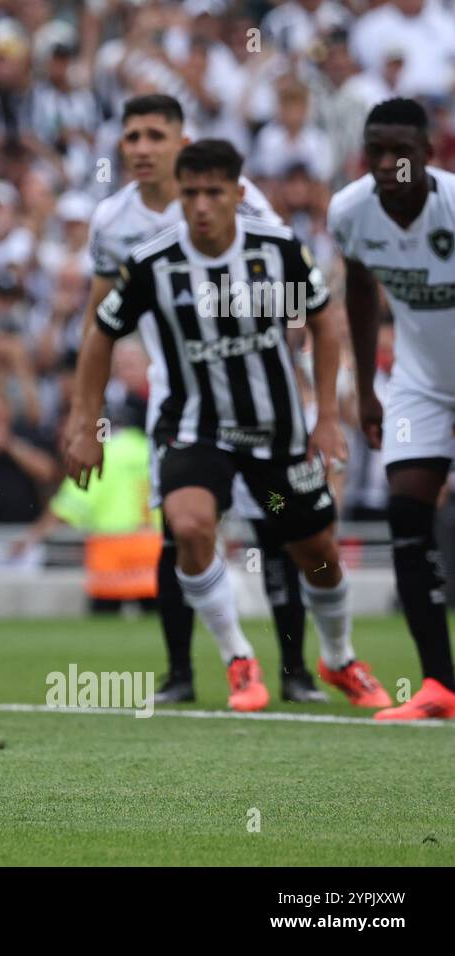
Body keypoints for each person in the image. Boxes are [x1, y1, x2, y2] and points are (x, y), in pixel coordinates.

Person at [66, 138, 385, 714]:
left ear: (239, 194)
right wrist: (85, 422)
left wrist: (327, 418)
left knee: (317, 551)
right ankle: (238, 657)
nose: (202, 205)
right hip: (195, 426)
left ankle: (338, 658)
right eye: (191, 194)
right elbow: (100, 335)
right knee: (187, 526)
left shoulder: (276, 250)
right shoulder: (153, 264)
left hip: (278, 432)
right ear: (180, 197)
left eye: (215, 192)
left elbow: (324, 322)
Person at [330, 96, 455, 719]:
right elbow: (357, 287)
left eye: (399, 151)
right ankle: (439, 685)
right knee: (407, 510)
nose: (385, 162)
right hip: (420, 383)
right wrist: (368, 386)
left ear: (428, 155)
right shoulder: (350, 212)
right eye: (374, 149)